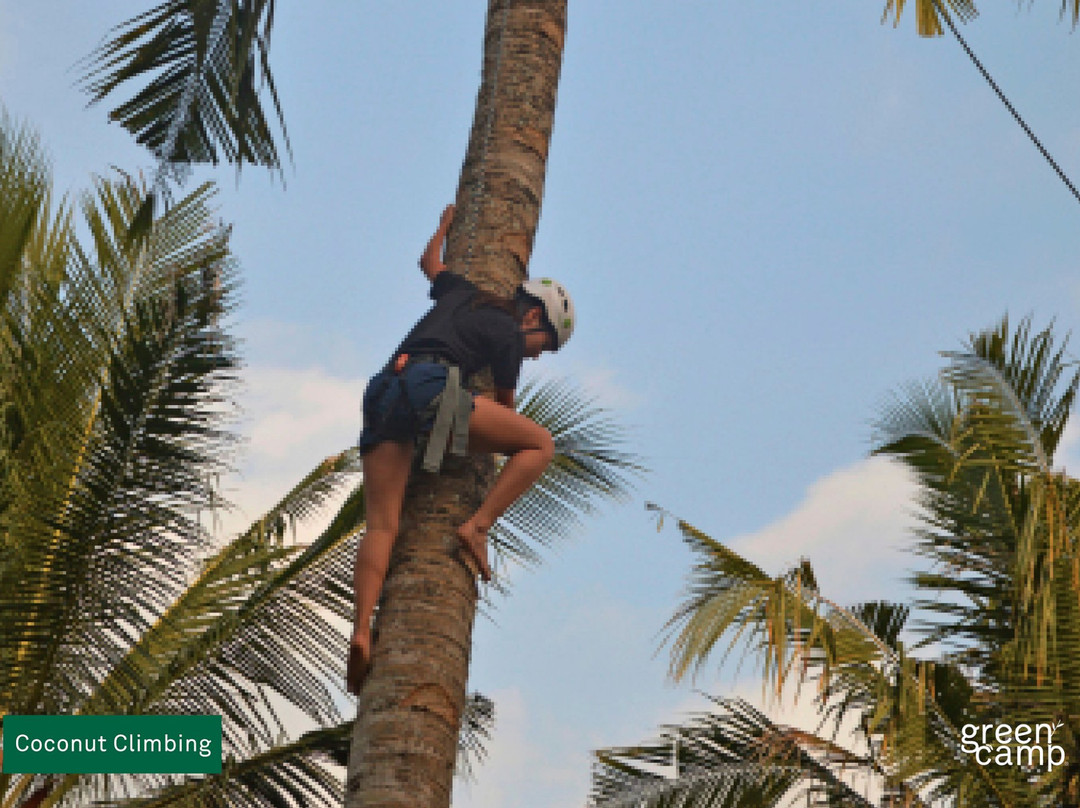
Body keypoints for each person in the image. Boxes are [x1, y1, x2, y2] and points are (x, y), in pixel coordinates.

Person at [347, 204, 576, 694]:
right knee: (539, 443)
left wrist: (446, 224)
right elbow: (508, 410)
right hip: (432, 387)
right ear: (533, 315)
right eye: (546, 344)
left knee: (382, 524)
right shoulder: (510, 336)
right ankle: (476, 525)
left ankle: (363, 629)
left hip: (386, 385)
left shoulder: (462, 294)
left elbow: (429, 262)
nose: (538, 353)